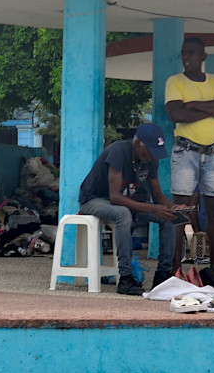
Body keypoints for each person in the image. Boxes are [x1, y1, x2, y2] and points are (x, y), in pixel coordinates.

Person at [78, 123, 186, 295]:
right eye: (149, 151)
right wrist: (153, 209)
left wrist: (174, 207)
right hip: (95, 200)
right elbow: (115, 197)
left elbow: (157, 195)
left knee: (169, 217)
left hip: (126, 202)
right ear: (137, 144)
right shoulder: (119, 151)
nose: (152, 157)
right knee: (123, 214)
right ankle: (126, 278)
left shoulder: (151, 161)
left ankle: (163, 276)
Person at [164, 36, 214, 269]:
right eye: (184, 53)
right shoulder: (174, 81)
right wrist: (212, 109)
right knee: (179, 212)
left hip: (213, 153)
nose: (187, 58)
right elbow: (176, 115)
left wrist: (193, 104)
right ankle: (174, 269)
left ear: (203, 57)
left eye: (192, 53)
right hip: (186, 150)